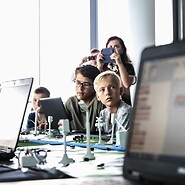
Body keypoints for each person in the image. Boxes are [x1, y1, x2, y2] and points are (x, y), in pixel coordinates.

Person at [96, 36, 137, 106]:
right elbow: (96, 84)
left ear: (122, 50)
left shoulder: (128, 66)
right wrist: (99, 66)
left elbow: (126, 84)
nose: (113, 49)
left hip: (123, 102)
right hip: (105, 103)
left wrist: (119, 63)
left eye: (116, 47)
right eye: (110, 47)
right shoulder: (104, 67)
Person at [65, 65, 105, 133]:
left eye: (86, 84)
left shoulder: (100, 102)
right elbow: (61, 125)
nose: (80, 88)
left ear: (95, 86)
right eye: (78, 83)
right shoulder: (71, 102)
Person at [93, 70, 132, 136]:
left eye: (112, 87)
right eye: (102, 90)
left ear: (121, 91)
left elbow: (122, 140)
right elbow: (101, 137)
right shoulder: (103, 113)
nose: (107, 93)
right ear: (98, 97)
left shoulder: (126, 112)